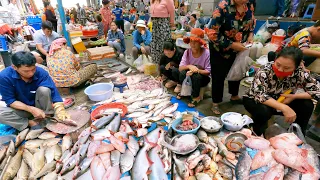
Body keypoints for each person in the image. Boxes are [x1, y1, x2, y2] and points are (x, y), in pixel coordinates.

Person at [243, 47, 320, 135]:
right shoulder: (264, 71)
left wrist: (293, 97)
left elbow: (317, 91)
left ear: (297, 66)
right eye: (278, 65)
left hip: (283, 99)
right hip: (255, 100)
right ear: (275, 59)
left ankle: (296, 134)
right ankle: (256, 132)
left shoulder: (300, 73)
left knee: (307, 104)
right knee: (263, 111)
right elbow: (259, 95)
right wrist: (284, 107)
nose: (280, 70)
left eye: (286, 68)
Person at [207, 0, 256, 115]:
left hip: (240, 48)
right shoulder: (222, 7)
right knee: (218, 75)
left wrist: (250, 35)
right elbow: (212, 33)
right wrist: (232, 44)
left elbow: (252, 22)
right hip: (220, 49)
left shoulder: (249, 5)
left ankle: (234, 96)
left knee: (237, 71)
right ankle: (216, 102)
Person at [0, 51, 70, 131]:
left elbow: (54, 92)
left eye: (33, 69)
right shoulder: (4, 77)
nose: (31, 74)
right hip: (22, 109)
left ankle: (47, 117)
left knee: (44, 90)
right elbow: (10, 101)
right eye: (26, 71)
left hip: (40, 106)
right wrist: (32, 110)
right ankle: (30, 123)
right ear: (14, 67)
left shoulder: (40, 72)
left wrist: (60, 109)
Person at [178, 28, 211, 107]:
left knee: (196, 76)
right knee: (182, 73)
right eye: (191, 41)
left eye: (195, 42)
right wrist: (189, 66)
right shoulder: (187, 52)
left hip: (203, 77)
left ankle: (196, 97)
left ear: (200, 43)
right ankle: (186, 92)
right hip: (190, 74)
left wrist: (197, 70)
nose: (193, 44)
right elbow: (180, 68)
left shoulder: (207, 53)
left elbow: (208, 72)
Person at [150, 0, 175, 64]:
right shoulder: (152, 0)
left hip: (163, 25)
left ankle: (165, 67)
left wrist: (172, 23)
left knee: (163, 46)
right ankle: (157, 66)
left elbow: (172, 12)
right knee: (155, 46)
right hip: (154, 26)